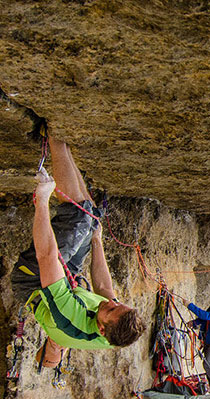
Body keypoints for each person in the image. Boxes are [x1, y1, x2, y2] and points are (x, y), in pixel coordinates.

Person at [10, 135, 146, 368]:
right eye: (118, 304)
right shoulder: (118, 329)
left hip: (32, 281)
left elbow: (47, 257)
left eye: (111, 308)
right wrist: (97, 240)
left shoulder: (70, 318)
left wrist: (42, 199)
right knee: (90, 220)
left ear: (101, 328)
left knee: (79, 217)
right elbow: (104, 289)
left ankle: (56, 139)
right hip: (71, 286)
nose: (111, 303)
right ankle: (63, 146)